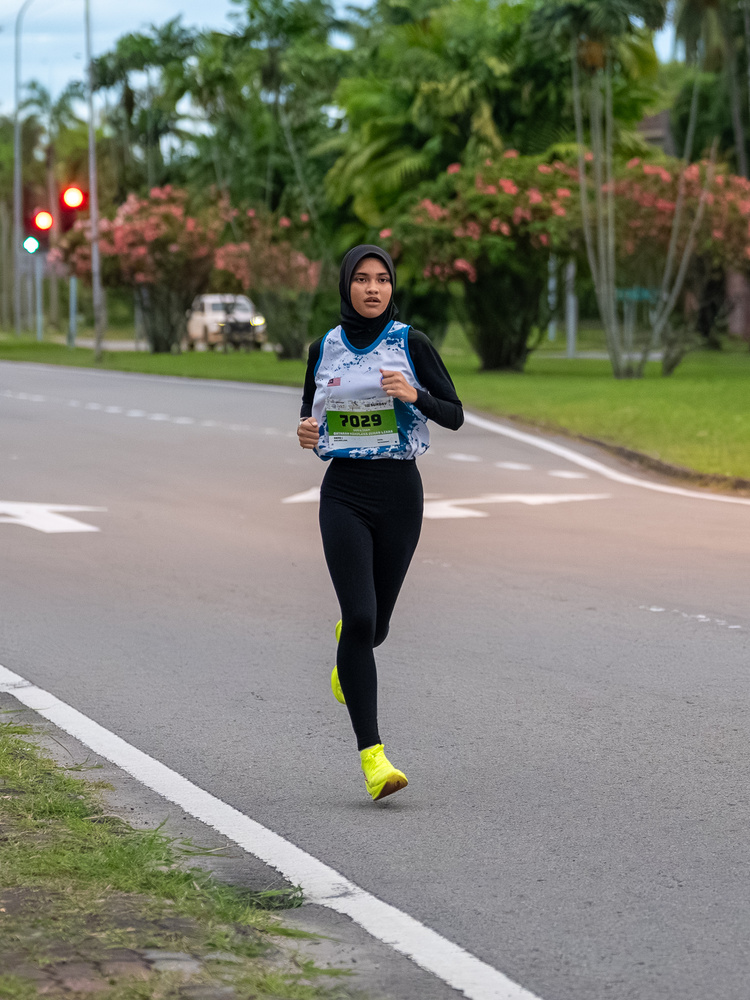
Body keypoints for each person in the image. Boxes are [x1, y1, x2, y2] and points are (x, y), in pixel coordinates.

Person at [297, 244, 463, 801]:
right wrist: (304, 433)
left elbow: (455, 414)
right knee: (361, 616)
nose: (373, 289)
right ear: (346, 285)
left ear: (392, 287)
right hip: (343, 493)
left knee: (375, 629)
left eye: (383, 279)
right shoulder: (324, 348)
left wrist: (415, 395)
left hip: (400, 495)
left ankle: (349, 646)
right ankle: (374, 760)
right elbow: (310, 418)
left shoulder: (410, 343)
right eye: (363, 279)